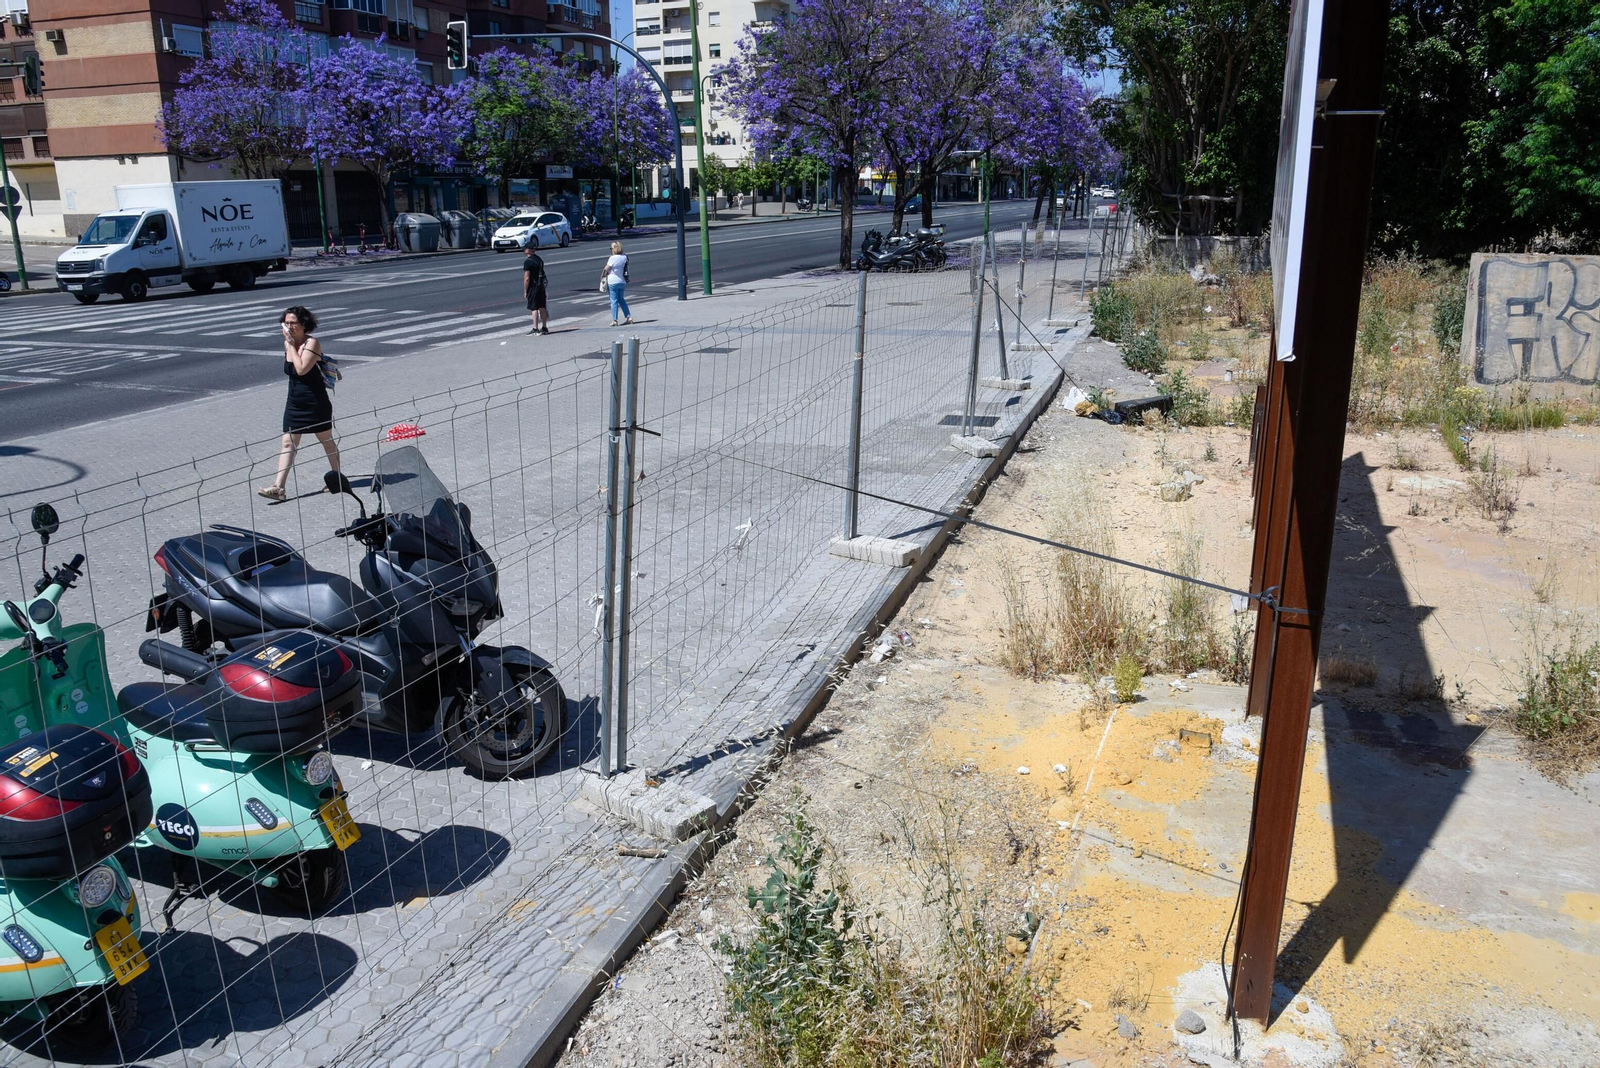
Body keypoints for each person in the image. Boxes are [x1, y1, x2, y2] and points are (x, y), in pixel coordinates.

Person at [258, 305, 341, 501]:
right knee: (288, 443)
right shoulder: (289, 343)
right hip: (294, 402)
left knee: (326, 441)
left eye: (293, 323)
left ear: (303, 324)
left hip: (315, 402)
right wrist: (289, 344)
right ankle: (279, 488)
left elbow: (302, 368)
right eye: (286, 323)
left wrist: (291, 346)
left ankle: (337, 477)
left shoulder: (312, 343)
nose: (289, 327)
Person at [602, 241, 631, 326]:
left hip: (612, 282)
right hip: (622, 281)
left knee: (614, 301)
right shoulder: (624, 257)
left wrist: (602, 277)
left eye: (611, 248)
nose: (610, 250)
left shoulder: (612, 258)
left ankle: (615, 320)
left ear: (615, 249)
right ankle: (629, 317)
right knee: (621, 300)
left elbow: (606, 269)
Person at [523, 241, 549, 335]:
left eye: (525, 248)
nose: (524, 250)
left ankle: (535, 328)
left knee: (534, 308)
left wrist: (525, 291)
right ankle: (545, 327)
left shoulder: (528, 262)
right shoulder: (539, 259)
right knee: (542, 306)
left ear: (528, 250)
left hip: (533, 287)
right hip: (541, 286)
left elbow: (527, 278)